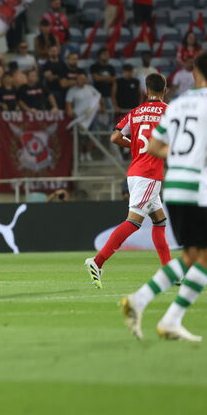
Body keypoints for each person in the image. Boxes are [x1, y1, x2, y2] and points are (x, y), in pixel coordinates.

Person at [120, 52, 207, 342]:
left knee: (192, 255)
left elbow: (154, 146)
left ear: (196, 73)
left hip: (174, 186)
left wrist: (183, 158)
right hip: (199, 188)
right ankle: (170, 316)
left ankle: (142, 303)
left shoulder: (176, 105)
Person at [86, 73, 170, 287]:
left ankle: (169, 271)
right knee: (134, 222)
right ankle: (97, 261)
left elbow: (114, 137)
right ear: (165, 90)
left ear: (145, 90)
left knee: (159, 221)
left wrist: (133, 146)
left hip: (135, 171)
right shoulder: (168, 112)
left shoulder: (136, 112)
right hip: (149, 174)